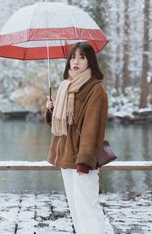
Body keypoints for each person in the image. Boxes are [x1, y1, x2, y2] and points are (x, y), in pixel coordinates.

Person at [45, 42, 108, 234]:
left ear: (90, 61)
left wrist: (85, 161)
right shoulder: (66, 87)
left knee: (88, 207)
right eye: (73, 57)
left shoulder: (95, 90)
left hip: (83, 160)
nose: (76, 61)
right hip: (66, 156)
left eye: (82, 57)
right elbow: (61, 126)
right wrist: (52, 110)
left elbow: (92, 128)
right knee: (75, 208)